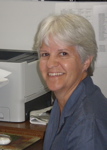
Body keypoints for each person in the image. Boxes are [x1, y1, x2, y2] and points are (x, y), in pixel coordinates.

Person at [34, 13, 107, 150]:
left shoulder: (87, 122)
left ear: (86, 61)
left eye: (63, 54)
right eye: (45, 54)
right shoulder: (63, 100)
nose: (50, 63)